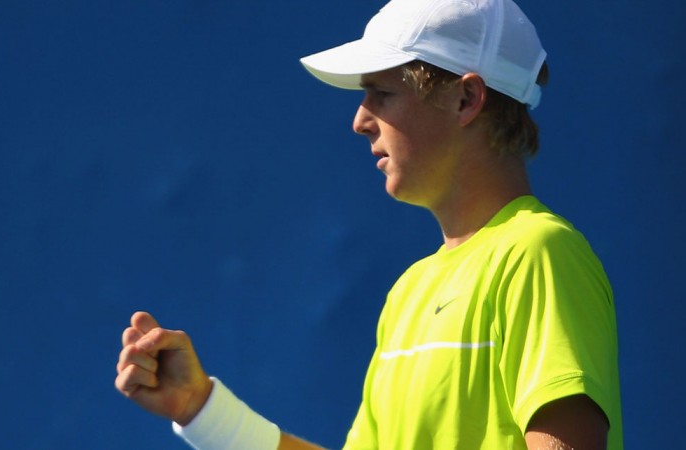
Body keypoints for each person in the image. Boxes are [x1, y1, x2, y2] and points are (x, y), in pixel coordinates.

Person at [115, 0, 623, 448]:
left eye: (381, 93)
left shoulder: (539, 253)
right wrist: (200, 409)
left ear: (466, 99)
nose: (360, 121)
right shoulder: (409, 293)